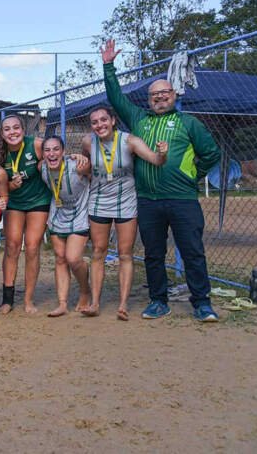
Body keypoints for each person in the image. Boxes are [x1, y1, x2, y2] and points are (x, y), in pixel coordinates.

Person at [102, 39, 221, 321]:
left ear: (174, 94)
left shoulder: (188, 123)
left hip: (183, 200)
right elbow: (116, 98)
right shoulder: (139, 119)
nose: (159, 97)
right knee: (153, 254)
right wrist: (108, 67)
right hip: (148, 201)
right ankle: (158, 300)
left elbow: (211, 153)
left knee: (192, 252)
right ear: (148, 99)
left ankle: (202, 303)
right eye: (154, 94)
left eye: (164, 93)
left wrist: (192, 175)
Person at [81, 105, 168, 320]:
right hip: (99, 201)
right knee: (98, 251)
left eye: (103, 120)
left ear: (112, 120)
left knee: (125, 253)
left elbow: (156, 161)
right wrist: (84, 168)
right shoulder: (88, 142)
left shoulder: (129, 141)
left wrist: (162, 153)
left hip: (125, 201)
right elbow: (86, 165)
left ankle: (123, 305)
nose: (99, 125)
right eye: (94, 122)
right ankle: (94, 303)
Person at [0, 115, 52, 314]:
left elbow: (57, 155)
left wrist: (76, 157)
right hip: (15, 202)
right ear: (2, 134)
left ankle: (28, 299)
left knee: (33, 247)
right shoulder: (0, 153)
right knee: (12, 246)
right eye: (7, 129)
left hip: (38, 201)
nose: (12, 132)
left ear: (23, 130)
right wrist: (10, 185)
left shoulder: (36, 145)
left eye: (16, 127)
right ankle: (7, 300)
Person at [38, 136, 92, 317]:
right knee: (60, 258)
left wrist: (81, 155)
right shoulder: (42, 167)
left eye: (56, 149)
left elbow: (94, 168)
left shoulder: (78, 166)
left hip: (79, 215)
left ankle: (85, 291)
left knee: (73, 258)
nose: (51, 154)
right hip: (57, 215)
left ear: (63, 152)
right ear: (43, 154)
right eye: (47, 150)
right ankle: (62, 304)